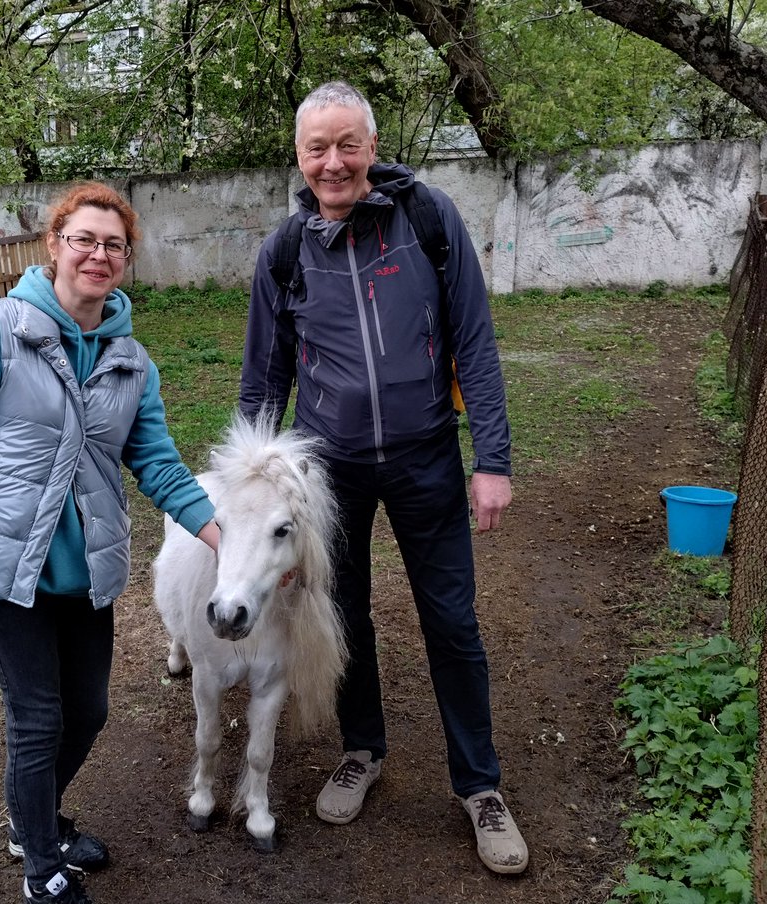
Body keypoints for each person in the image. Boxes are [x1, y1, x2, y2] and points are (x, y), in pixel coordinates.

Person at [238, 81, 528, 875]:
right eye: (316, 149)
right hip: (329, 474)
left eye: (346, 144)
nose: (333, 163)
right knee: (344, 616)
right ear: (299, 159)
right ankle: (362, 749)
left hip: (426, 457)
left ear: (371, 144)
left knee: (453, 623)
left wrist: (492, 459)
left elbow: (474, 337)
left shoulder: (427, 220)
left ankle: (480, 786)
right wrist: (253, 491)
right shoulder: (286, 251)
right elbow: (263, 380)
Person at [0, 182, 220, 904]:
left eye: (113, 244)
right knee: (38, 716)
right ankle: (41, 868)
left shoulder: (131, 361)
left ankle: (32, 819)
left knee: (89, 712)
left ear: (126, 259)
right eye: (83, 239)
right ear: (53, 246)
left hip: (85, 569)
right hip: (0, 564)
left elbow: (159, 464)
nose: (98, 254)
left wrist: (227, 542)